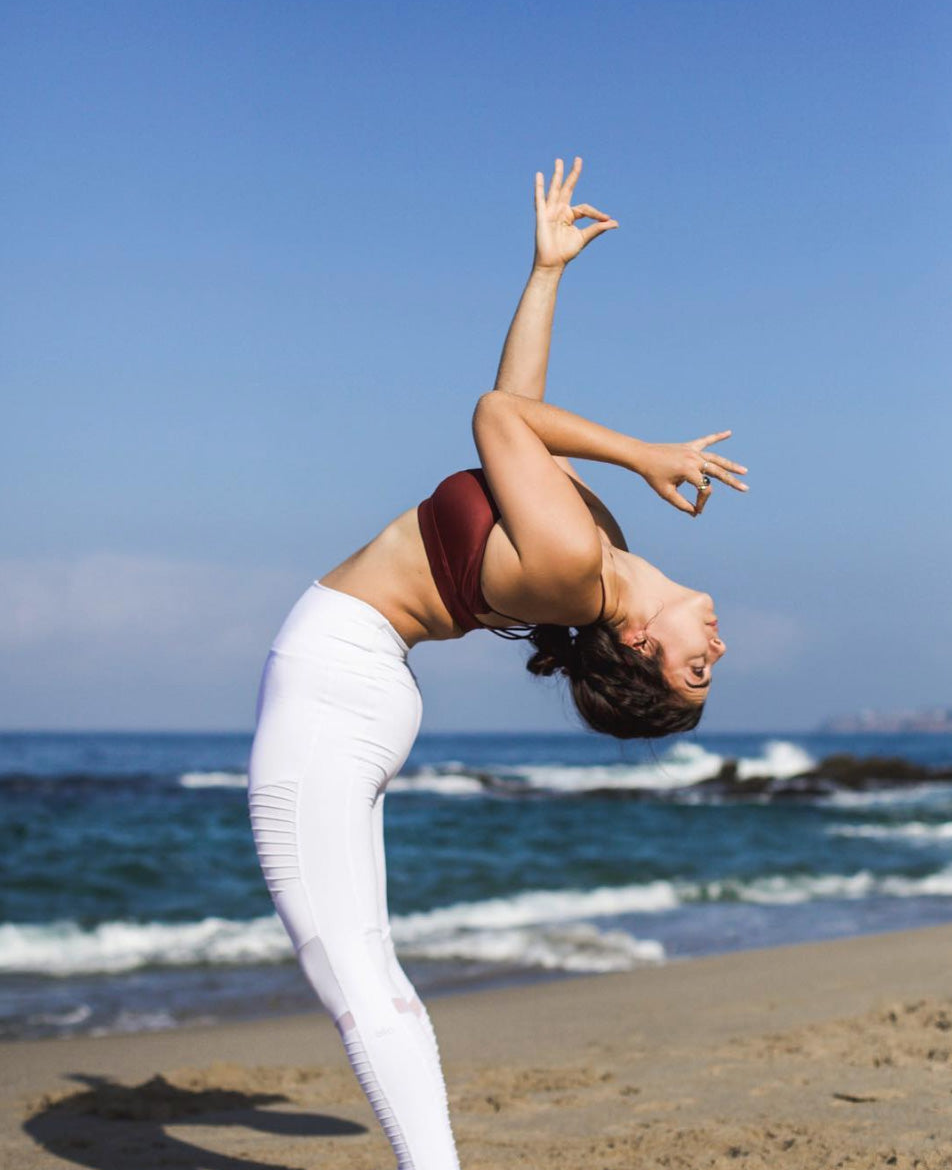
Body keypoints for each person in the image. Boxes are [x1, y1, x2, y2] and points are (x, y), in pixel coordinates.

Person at [247, 156, 748, 1168]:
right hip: (359, 680)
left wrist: (645, 452)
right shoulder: (588, 549)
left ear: (643, 651)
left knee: (353, 976)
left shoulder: (575, 566)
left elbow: (494, 416)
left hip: (334, 678)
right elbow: (518, 414)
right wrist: (548, 271)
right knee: (367, 971)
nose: (718, 648)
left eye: (698, 670)